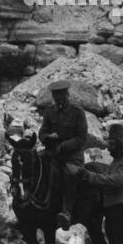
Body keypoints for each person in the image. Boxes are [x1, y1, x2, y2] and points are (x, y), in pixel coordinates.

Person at [39, 80, 87, 222]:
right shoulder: (49, 112)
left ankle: (67, 211)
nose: (59, 100)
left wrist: (64, 146)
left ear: (67, 95)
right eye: (56, 97)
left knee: (69, 173)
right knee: (33, 164)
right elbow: (42, 133)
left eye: (62, 97)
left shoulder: (77, 112)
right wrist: (48, 137)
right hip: (52, 154)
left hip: (71, 156)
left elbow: (81, 138)